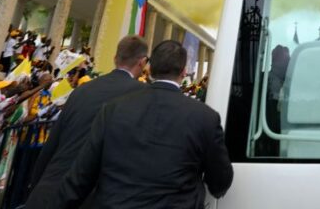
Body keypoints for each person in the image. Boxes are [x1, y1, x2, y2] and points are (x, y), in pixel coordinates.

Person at [56, 40, 233, 208]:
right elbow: (220, 181)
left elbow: (81, 177)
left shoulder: (113, 110)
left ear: (150, 68)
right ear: (183, 71)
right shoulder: (205, 117)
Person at [25, 35, 151, 208]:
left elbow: (52, 144)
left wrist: (36, 185)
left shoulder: (82, 90)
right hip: (91, 196)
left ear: (115, 58)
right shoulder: (143, 96)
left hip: (49, 190)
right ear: (143, 63)